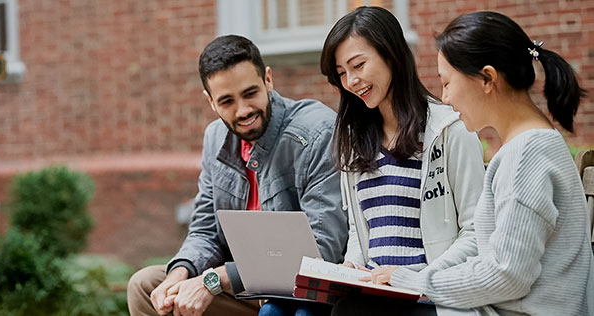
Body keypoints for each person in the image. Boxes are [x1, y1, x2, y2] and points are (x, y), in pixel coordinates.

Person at [366, 11, 594, 316]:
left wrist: (415, 282)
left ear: (487, 79)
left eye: (447, 83)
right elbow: (498, 266)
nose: (445, 98)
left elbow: (507, 276)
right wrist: (417, 280)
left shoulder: (528, 155)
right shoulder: (527, 146)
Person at [127, 35, 348, 316]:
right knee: (146, 286)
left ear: (268, 79)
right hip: (242, 287)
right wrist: (180, 272)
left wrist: (215, 280)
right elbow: (205, 229)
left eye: (250, 93)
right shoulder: (215, 138)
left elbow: (321, 250)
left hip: (301, 292)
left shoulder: (316, 132)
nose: (243, 110)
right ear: (210, 101)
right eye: (227, 101)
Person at [317, 6, 486, 315]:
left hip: (430, 298)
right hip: (371, 295)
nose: (351, 81)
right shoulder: (355, 143)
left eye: (358, 65)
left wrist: (417, 279)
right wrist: (351, 264)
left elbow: (476, 232)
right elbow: (360, 232)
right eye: (342, 73)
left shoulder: (450, 131)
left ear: (392, 54)